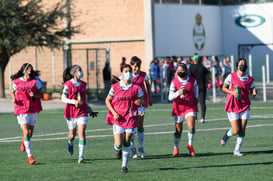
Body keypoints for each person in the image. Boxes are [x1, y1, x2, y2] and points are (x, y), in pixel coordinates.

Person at [105, 64, 145, 173]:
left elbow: (143, 101)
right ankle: (117, 149)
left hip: (131, 117)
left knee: (127, 140)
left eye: (129, 71)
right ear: (122, 73)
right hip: (118, 118)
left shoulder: (137, 88)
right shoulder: (115, 87)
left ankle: (124, 166)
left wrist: (140, 102)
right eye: (126, 71)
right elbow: (107, 100)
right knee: (118, 144)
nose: (128, 73)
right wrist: (114, 113)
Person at [220, 58, 257, 156]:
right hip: (233, 105)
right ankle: (227, 135)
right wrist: (232, 92)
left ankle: (236, 150)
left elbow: (253, 89)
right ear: (237, 66)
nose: (243, 65)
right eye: (241, 64)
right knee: (236, 130)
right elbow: (223, 88)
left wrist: (254, 92)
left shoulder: (249, 79)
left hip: (244, 105)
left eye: (244, 64)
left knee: (243, 128)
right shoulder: (231, 76)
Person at [62, 64, 98, 163]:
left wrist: (88, 107)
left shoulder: (83, 84)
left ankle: (81, 157)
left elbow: (83, 99)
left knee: (81, 133)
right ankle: (70, 142)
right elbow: (63, 98)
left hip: (82, 111)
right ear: (74, 73)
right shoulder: (68, 84)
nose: (81, 71)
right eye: (79, 70)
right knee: (72, 135)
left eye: (81, 69)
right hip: (71, 112)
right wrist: (73, 102)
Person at [10, 63, 44, 165]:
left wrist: (35, 95)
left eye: (31, 68)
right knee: (26, 133)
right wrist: (13, 99)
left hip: (33, 108)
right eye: (29, 68)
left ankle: (23, 140)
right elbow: (12, 91)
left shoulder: (35, 81)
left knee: (30, 133)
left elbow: (42, 95)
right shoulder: (17, 82)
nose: (31, 69)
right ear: (24, 70)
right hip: (21, 108)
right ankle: (30, 157)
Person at [168, 63, 199, 157]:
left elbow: (196, 88)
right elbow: (170, 97)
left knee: (191, 127)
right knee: (178, 130)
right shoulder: (174, 82)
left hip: (190, 106)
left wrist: (196, 97)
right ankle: (176, 147)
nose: (180, 72)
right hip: (179, 108)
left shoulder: (192, 80)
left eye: (182, 70)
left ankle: (190, 144)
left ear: (186, 71)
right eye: (178, 71)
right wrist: (178, 92)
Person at [129, 56, 153, 159]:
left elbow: (148, 85)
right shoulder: (127, 76)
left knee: (140, 125)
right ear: (131, 66)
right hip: (130, 105)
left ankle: (141, 147)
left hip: (141, 103)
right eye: (135, 66)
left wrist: (149, 97)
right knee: (131, 126)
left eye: (138, 66)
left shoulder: (144, 75)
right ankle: (132, 148)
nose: (136, 68)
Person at [189, 55, 210, 123]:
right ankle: (203, 117)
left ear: (193, 60)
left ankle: (195, 117)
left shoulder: (191, 67)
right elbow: (208, 75)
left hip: (194, 87)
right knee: (202, 102)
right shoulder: (203, 67)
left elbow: (189, 78)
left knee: (193, 102)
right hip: (202, 86)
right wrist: (207, 81)